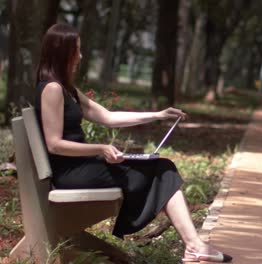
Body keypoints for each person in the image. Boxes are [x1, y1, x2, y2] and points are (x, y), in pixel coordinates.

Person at [35, 24, 232, 263]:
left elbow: (108, 117)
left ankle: (194, 245)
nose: (81, 55)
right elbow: (54, 144)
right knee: (161, 169)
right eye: (77, 50)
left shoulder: (67, 90)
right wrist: (100, 148)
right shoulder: (52, 90)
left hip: (83, 166)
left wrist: (158, 115)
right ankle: (194, 246)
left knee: (162, 168)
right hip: (71, 173)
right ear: (64, 52)